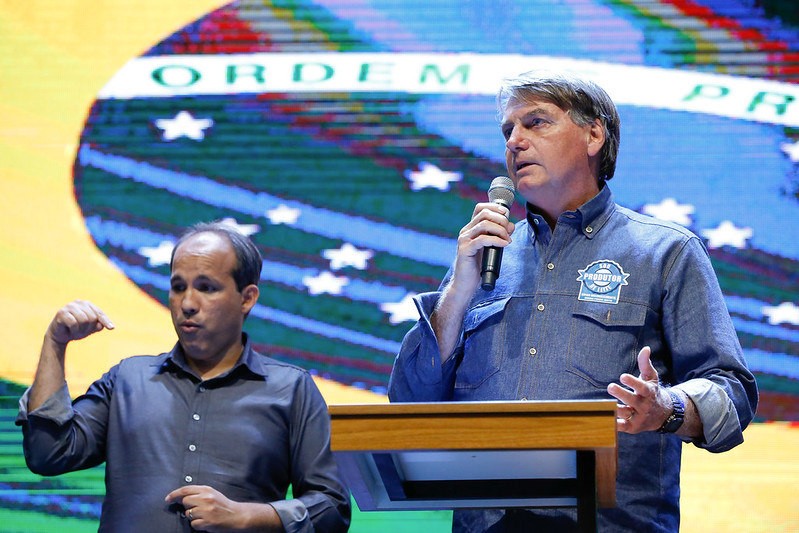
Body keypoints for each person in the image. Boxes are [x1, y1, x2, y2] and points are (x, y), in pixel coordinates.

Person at [388, 71, 758, 532]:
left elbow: (732, 392)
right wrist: (458, 291)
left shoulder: (665, 252)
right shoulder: (483, 256)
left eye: (536, 122)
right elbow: (409, 403)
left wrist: (668, 408)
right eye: (508, 130)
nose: (514, 142)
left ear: (594, 135)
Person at [17, 221, 351, 532]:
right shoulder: (127, 380)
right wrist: (55, 343)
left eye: (207, 288)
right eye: (178, 287)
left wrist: (245, 516)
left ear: (247, 298)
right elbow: (48, 453)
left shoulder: (291, 389)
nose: (187, 303)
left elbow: (332, 508)